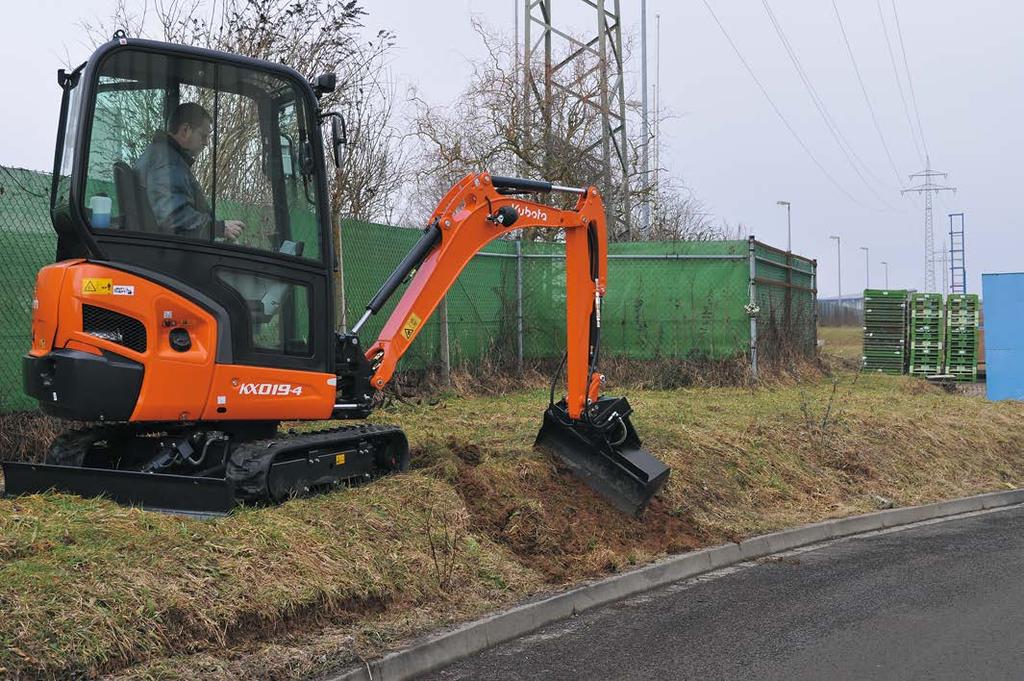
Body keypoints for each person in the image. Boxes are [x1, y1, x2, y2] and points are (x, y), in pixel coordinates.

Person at [134, 103, 245, 240]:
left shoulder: (162, 156)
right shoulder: (168, 163)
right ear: (185, 130)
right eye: (203, 136)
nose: (206, 143)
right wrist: (218, 228)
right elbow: (173, 217)